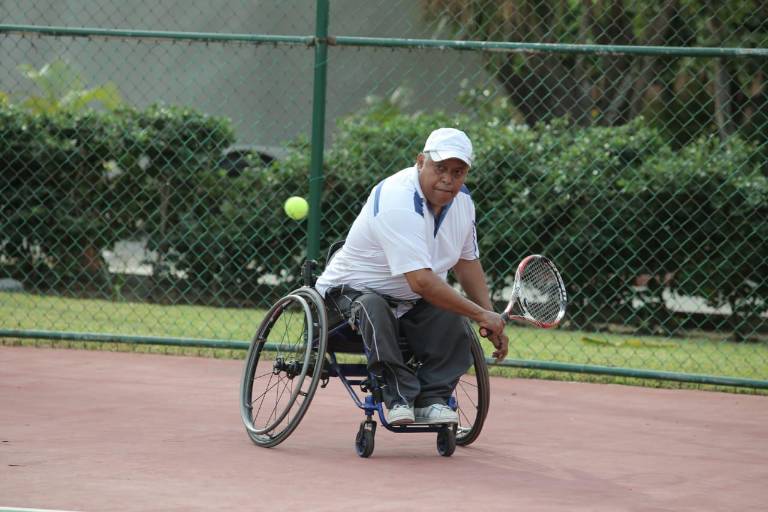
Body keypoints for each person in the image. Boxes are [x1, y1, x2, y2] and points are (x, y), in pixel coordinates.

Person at [315, 127, 509, 426]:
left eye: (458, 172)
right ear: (421, 162)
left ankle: (433, 399)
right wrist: (482, 314)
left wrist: (488, 315)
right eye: (440, 168)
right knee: (373, 305)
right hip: (347, 297)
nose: (448, 179)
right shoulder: (397, 198)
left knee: (454, 315)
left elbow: (466, 262)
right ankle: (397, 397)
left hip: (412, 304)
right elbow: (420, 281)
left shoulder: (463, 202)